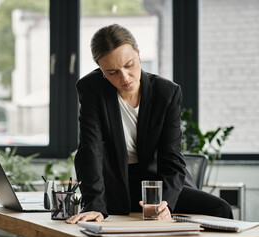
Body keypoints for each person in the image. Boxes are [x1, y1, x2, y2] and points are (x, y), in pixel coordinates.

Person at [66, 24, 233, 224]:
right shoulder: (91, 89)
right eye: (112, 72)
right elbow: (90, 149)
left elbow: (171, 157)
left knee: (220, 208)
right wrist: (93, 204)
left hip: (158, 183)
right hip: (115, 183)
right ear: (100, 69)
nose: (124, 77)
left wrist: (166, 204)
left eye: (129, 65)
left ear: (138, 53)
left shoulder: (166, 93)